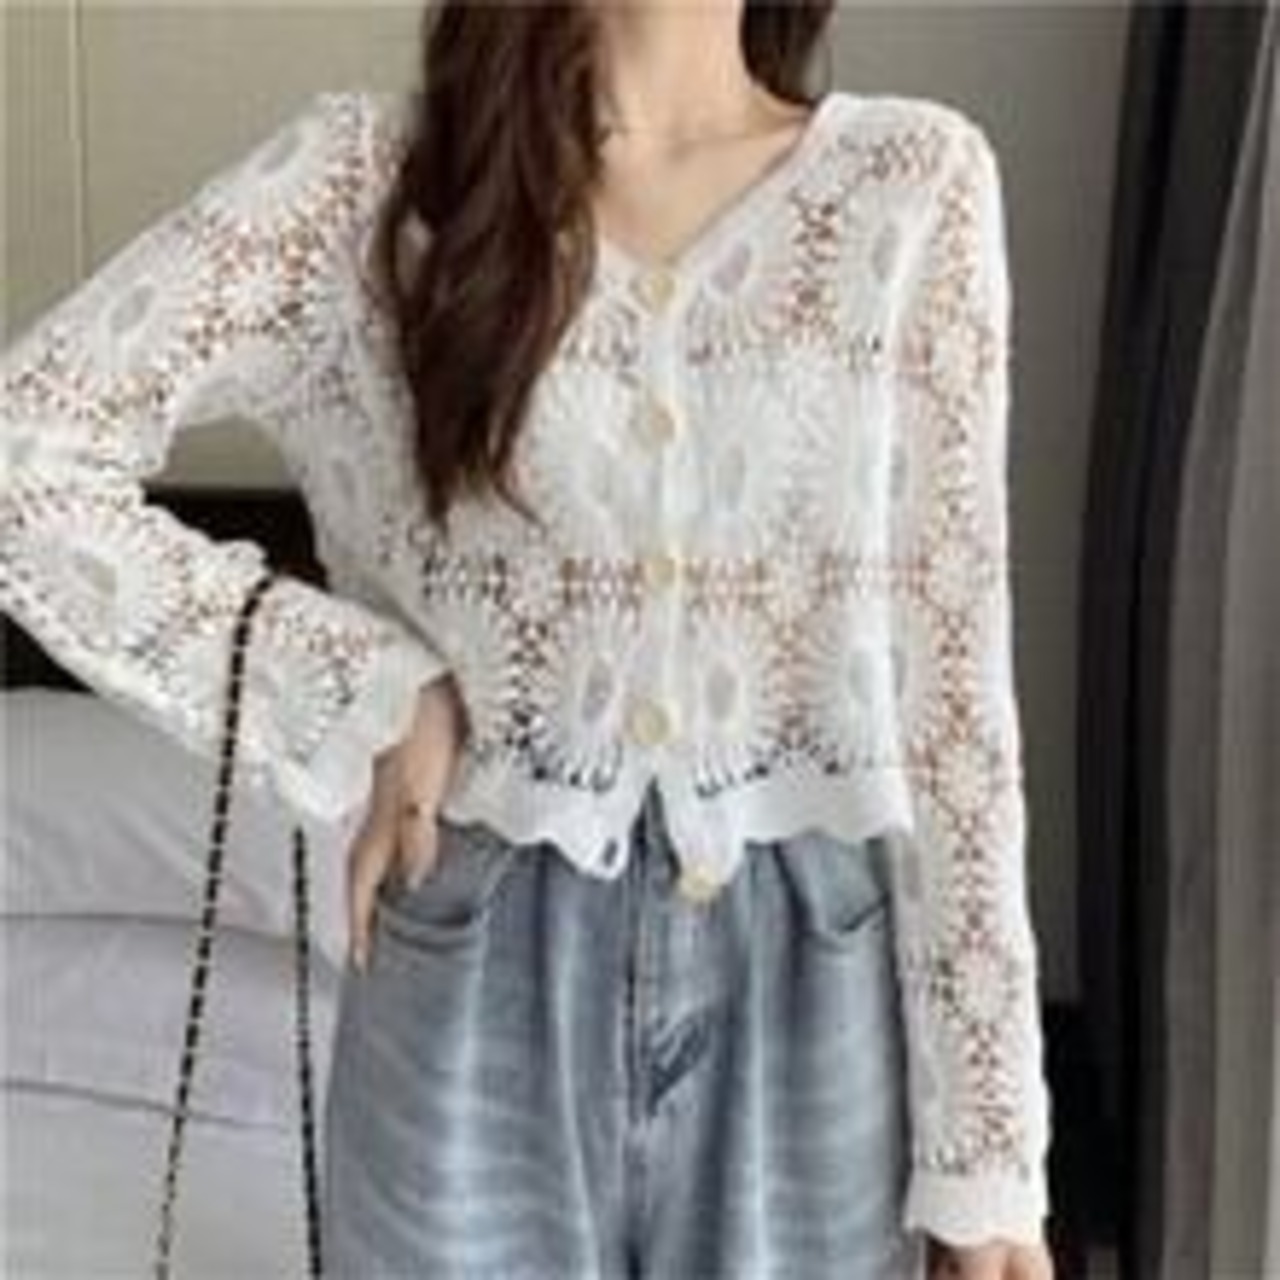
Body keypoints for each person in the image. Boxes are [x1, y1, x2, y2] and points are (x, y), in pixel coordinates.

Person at [0, 2, 1056, 1277]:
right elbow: (24, 457)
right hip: (473, 960)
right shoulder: (361, 186)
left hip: (808, 985)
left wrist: (988, 1155)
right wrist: (362, 687)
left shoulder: (909, 186)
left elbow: (952, 701)